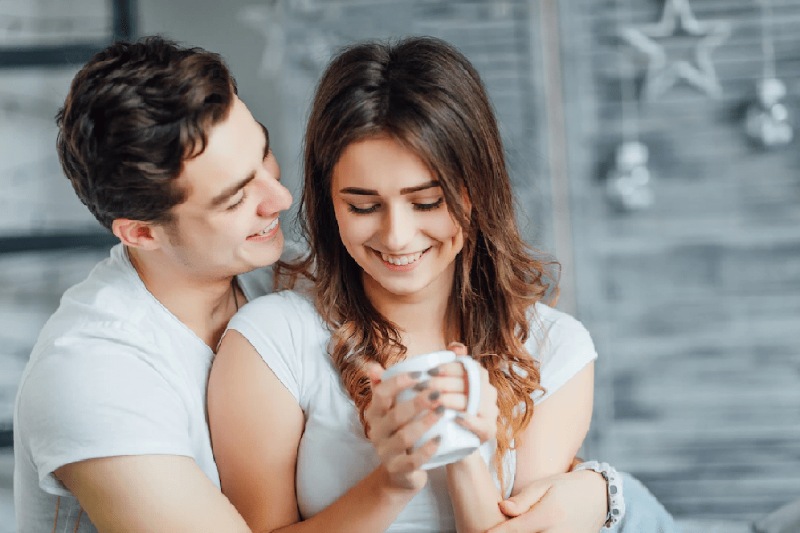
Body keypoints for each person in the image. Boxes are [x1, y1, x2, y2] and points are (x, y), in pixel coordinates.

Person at [209, 36, 677, 533]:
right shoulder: (272, 340)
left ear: (476, 191)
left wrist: (463, 450)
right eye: (363, 206)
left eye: (427, 202)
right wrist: (391, 482)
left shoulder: (553, 349)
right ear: (329, 204)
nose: (397, 236)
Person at [13, 36, 293, 532]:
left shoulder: (288, 276)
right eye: (234, 199)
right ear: (142, 233)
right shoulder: (92, 374)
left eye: (264, 152)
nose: (281, 198)